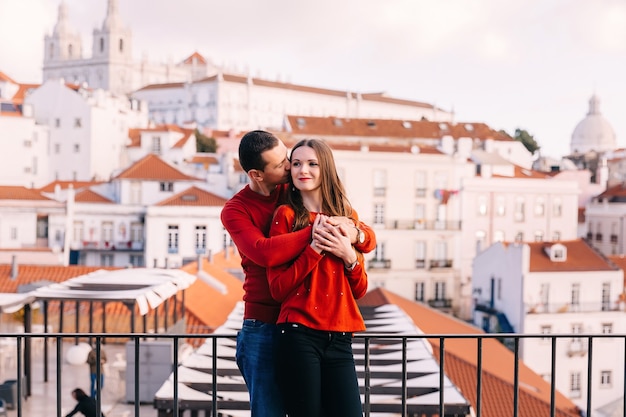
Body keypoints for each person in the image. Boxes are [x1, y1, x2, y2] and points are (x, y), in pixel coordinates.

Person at [220, 130, 375, 417]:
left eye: (290, 159)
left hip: (323, 326)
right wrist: (316, 234)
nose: (294, 168)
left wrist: (353, 237)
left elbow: (364, 237)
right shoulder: (238, 210)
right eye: (284, 165)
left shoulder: (294, 191)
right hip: (265, 323)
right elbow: (264, 252)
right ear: (257, 175)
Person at [268, 138, 370, 417]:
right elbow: (278, 289)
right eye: (297, 163)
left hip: (340, 337)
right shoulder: (285, 216)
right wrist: (313, 250)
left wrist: (350, 256)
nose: (304, 170)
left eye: (313, 164)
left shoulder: (347, 218)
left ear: (326, 168)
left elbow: (359, 290)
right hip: (299, 335)